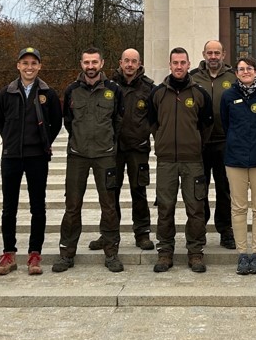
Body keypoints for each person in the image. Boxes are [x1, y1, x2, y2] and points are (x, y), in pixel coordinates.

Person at [53, 48, 123, 274]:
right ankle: (67, 253)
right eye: (86, 62)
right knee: (72, 206)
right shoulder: (72, 90)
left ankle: (111, 252)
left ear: (102, 63)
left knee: (109, 206)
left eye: (94, 62)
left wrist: (109, 143)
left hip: (105, 155)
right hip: (78, 155)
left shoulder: (114, 90)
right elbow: (68, 120)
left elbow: (118, 120)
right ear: (81, 64)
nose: (90, 66)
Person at [0, 47, 62, 276]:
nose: (29, 67)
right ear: (18, 66)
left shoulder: (48, 94)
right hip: (11, 156)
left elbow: (56, 122)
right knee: (8, 207)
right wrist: (11, 141)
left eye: (34, 63)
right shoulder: (6, 93)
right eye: (25, 63)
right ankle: (9, 254)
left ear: (40, 66)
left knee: (37, 206)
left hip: (37, 157)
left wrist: (43, 142)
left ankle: (35, 253)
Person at [148, 48, 214, 273]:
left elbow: (207, 125)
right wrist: (163, 141)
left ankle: (195, 252)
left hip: (192, 161)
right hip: (166, 161)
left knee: (195, 208)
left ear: (189, 64)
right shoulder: (157, 93)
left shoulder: (199, 93)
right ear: (169, 65)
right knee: (165, 208)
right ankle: (165, 252)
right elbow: (152, 123)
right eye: (175, 62)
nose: (178, 66)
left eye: (182, 62)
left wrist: (194, 143)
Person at [221, 55, 256, 275]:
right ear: (236, 73)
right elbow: (226, 124)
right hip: (235, 158)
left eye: (249, 68)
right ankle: (242, 253)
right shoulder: (228, 96)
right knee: (238, 207)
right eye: (241, 69)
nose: (245, 72)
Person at [99, 48, 156, 251]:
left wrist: (146, 134)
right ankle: (108, 234)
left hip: (137, 149)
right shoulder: (108, 86)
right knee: (110, 192)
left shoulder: (149, 88)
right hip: (112, 149)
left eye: (134, 61)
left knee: (138, 191)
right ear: (120, 63)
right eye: (126, 61)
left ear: (139, 63)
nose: (130, 65)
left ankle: (142, 233)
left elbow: (156, 118)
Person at [190, 40, 236, 249]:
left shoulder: (233, 77)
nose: (213, 56)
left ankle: (226, 230)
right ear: (204, 54)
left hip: (225, 142)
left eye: (217, 52)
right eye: (209, 52)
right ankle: (199, 229)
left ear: (224, 54)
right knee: (200, 188)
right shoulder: (193, 78)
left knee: (224, 188)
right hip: (200, 143)